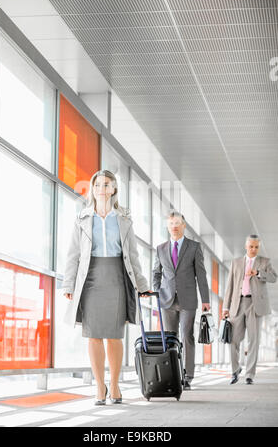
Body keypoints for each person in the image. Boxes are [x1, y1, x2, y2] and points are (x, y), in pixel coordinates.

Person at [61, 170, 151, 405]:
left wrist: (141, 285)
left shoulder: (123, 219)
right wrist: (69, 283)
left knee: (114, 335)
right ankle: (99, 387)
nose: (101, 188)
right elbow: (73, 254)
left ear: (113, 189)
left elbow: (132, 255)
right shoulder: (81, 218)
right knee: (93, 335)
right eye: (97, 184)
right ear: (92, 189)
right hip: (90, 279)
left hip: (116, 279)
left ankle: (114, 385)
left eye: (106, 184)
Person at [152, 210, 210, 390]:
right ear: (167, 227)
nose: (174, 227)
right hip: (167, 300)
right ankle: (173, 373)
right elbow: (156, 273)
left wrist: (206, 300)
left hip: (188, 299)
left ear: (183, 225)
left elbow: (201, 275)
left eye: (177, 223)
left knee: (186, 335)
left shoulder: (194, 247)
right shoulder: (160, 248)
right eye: (171, 224)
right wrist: (157, 292)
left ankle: (188, 376)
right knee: (170, 338)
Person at [222, 234, 277, 385]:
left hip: (255, 305)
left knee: (254, 340)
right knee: (233, 339)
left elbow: (274, 278)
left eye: (256, 247)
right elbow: (230, 286)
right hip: (237, 304)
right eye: (251, 246)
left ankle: (250, 375)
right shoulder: (236, 262)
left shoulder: (264, 262)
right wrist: (225, 307)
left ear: (258, 247)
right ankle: (235, 370)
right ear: (246, 246)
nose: (253, 249)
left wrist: (258, 273)